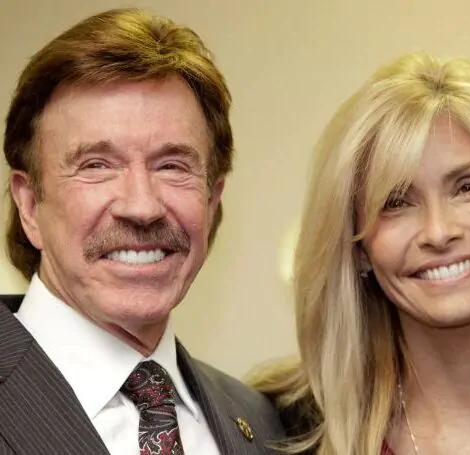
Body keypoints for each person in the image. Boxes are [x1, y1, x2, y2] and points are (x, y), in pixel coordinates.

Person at [248, 52, 470, 454]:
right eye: (396, 202)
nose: (438, 232)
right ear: (357, 247)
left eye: (469, 187)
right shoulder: (277, 429)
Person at [0, 8, 283, 455]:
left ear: (212, 203)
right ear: (30, 205)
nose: (142, 207)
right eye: (97, 165)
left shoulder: (265, 423)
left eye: (172, 166)